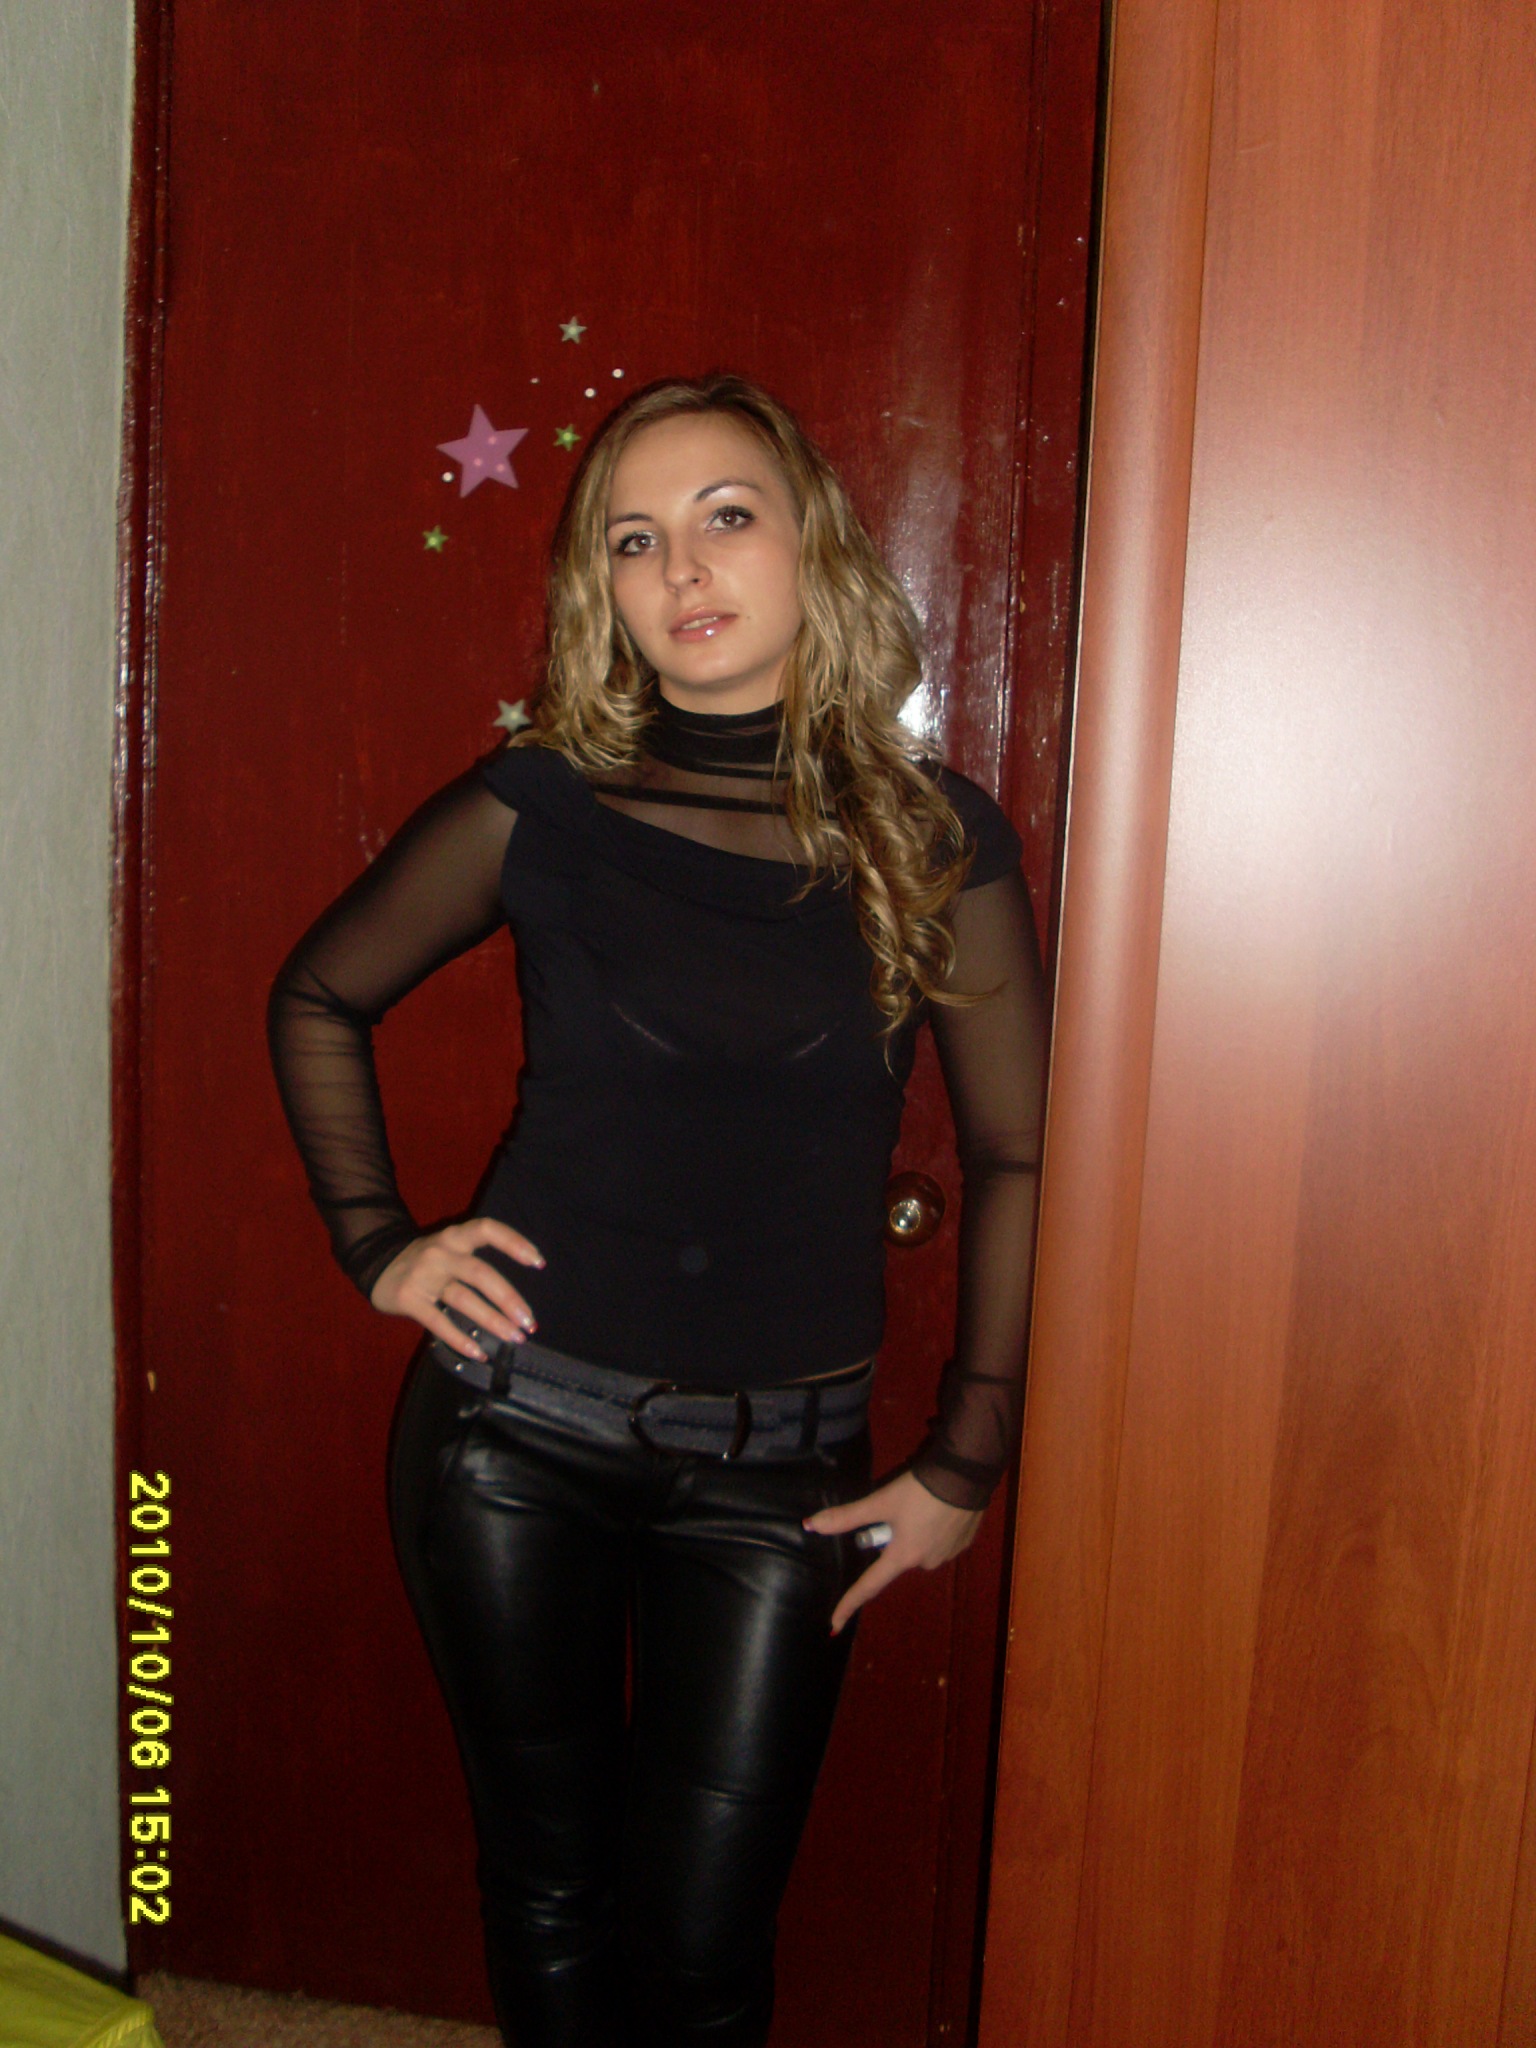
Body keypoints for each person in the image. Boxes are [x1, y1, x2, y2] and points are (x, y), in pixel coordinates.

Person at [267, 374, 1048, 2048]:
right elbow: (321, 993)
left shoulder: (933, 837)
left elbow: (1014, 1157)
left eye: (726, 517)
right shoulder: (544, 804)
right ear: (601, 589)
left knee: (708, 1947)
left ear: (812, 545)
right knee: (549, 1894)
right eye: (634, 539)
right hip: (510, 1434)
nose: (681, 568)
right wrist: (382, 1246)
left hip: (785, 1476)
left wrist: (967, 1458)